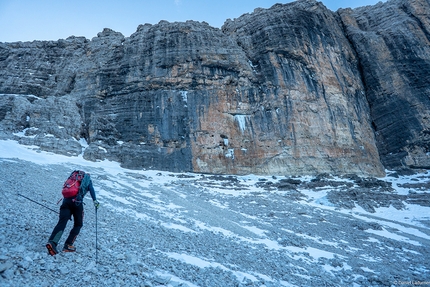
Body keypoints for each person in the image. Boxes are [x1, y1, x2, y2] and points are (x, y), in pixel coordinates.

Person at [46, 171, 99, 255]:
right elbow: (91, 189)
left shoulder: (72, 178)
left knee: (62, 222)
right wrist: (95, 201)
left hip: (66, 202)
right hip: (77, 203)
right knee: (78, 224)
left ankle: (52, 243)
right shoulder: (87, 178)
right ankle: (68, 245)